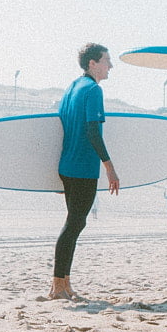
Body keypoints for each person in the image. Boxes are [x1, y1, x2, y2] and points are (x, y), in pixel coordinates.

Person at [50, 43, 119, 300]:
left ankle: (64, 283)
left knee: (75, 223)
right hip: (83, 168)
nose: (110, 66)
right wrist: (110, 168)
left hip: (68, 166)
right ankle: (58, 286)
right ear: (93, 63)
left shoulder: (72, 89)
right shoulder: (93, 90)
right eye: (106, 60)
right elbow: (92, 131)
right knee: (74, 224)